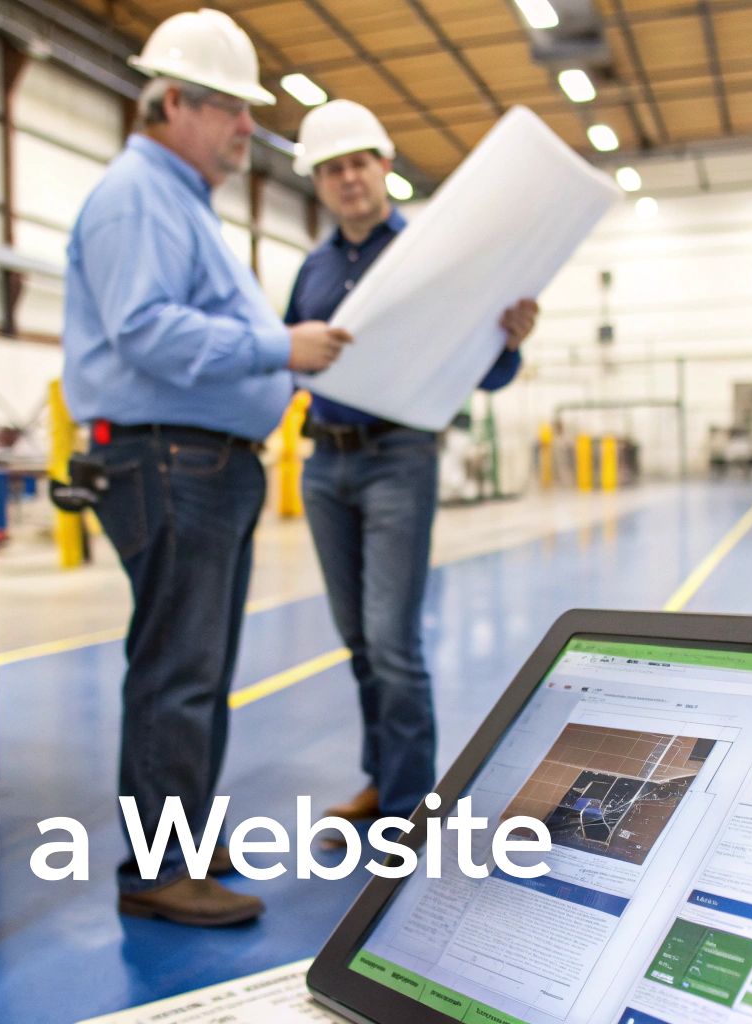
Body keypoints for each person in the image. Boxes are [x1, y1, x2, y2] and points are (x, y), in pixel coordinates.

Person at [61, 8, 351, 927]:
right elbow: (145, 330)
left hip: (202, 463)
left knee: (199, 665)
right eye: (230, 109)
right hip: (170, 460)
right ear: (173, 101)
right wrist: (279, 348)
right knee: (177, 670)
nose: (245, 130)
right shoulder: (138, 196)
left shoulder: (178, 203)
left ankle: (178, 835)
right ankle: (157, 869)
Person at [283, 100, 539, 824]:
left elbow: (483, 375)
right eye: (331, 169)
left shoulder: (431, 257)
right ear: (318, 183)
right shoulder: (313, 269)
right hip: (324, 467)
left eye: (358, 163)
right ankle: (380, 783)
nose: (347, 178)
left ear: (385, 166)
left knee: (393, 643)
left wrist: (508, 340)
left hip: (398, 460)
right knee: (359, 641)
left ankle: (407, 809)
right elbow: (288, 358)